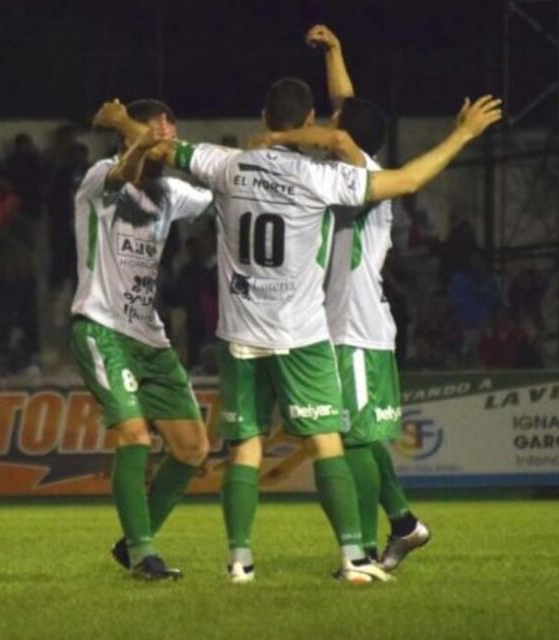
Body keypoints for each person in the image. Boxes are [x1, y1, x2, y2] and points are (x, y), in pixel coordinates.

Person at [96, 75, 500, 583]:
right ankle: (355, 556)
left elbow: (159, 144)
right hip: (305, 332)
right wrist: (462, 134)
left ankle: (239, 563)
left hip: (241, 331)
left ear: (263, 117)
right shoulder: (320, 179)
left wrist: (121, 123)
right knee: (331, 438)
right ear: (308, 121)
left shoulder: (226, 164)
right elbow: (408, 180)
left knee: (245, 446)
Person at [301, 23, 431, 571]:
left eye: (334, 126)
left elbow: (341, 121)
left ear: (345, 138)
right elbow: (346, 105)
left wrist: (279, 135)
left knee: (351, 438)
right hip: (339, 323)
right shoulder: (347, 169)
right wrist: (336, 50)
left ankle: (364, 553)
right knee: (359, 433)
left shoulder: (362, 172)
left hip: (356, 326)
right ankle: (404, 525)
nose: (328, 123)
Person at [75, 99, 214, 580]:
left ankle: (134, 541)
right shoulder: (99, 179)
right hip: (101, 327)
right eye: (161, 135)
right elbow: (126, 170)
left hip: (148, 336)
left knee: (193, 450)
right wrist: (138, 137)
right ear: (132, 137)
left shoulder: (170, 192)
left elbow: (220, 194)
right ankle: (143, 554)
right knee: (133, 435)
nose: (167, 144)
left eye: (171, 136)